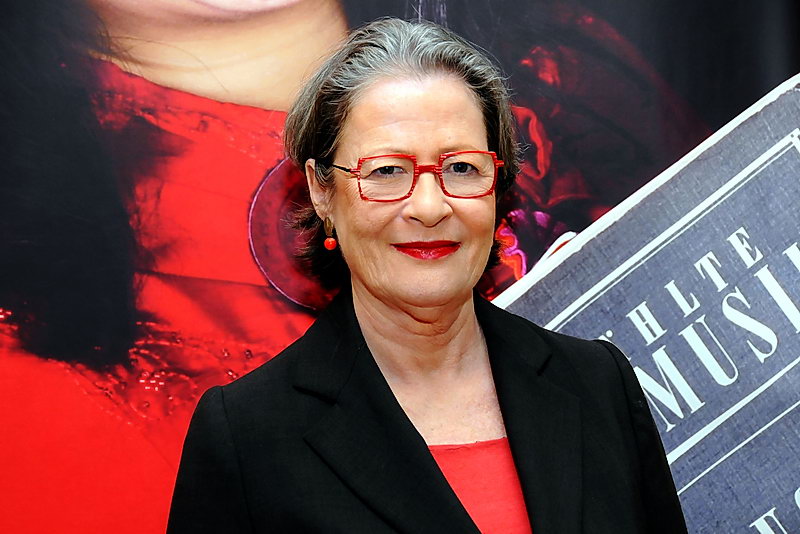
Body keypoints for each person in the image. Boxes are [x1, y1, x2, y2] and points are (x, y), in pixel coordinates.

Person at [167, 18, 687, 533]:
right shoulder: (248, 437)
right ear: (323, 192)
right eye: (387, 171)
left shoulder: (598, 385)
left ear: (498, 184)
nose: (430, 207)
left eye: (461, 168)